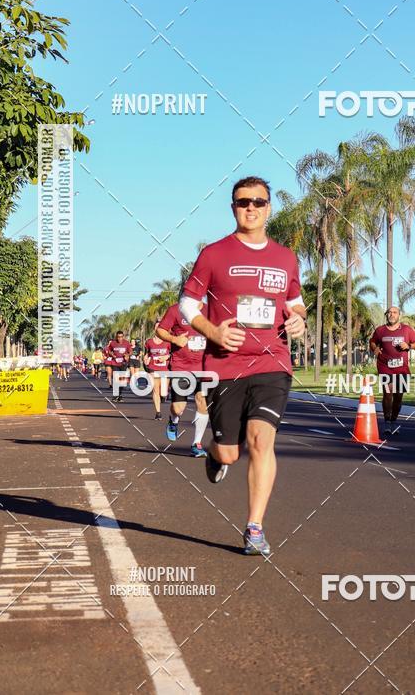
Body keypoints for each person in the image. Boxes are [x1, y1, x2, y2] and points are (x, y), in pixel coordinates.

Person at [179, 176, 306, 556]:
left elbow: (295, 301)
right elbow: (188, 305)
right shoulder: (214, 254)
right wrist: (212, 331)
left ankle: (254, 528)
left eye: (258, 202)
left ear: (269, 207)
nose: (250, 208)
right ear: (233, 207)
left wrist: (299, 318)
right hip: (225, 367)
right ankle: (217, 456)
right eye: (242, 202)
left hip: (272, 362)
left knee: (261, 440)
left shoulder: (285, 258)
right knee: (231, 452)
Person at [156, 298, 209, 458]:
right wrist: (174, 339)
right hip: (181, 366)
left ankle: (197, 444)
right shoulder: (175, 310)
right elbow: (160, 330)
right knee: (178, 408)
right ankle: (173, 421)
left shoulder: (212, 311)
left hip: (205, 366)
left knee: (203, 402)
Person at [369, 306, 415, 435]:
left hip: (401, 369)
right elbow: (372, 341)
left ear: (399, 315)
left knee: (398, 397)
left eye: (394, 312)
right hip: (385, 366)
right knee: (388, 393)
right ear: (386, 315)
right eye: (389, 313)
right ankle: (387, 422)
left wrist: (408, 346)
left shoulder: (406, 330)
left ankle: (394, 420)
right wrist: (375, 348)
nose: (392, 315)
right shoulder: (380, 330)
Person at [144, 323, 171, 419]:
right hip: (153, 368)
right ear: (154, 329)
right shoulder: (149, 342)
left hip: (165, 369)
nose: (158, 328)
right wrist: (145, 359)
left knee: (163, 392)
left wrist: (166, 357)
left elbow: (173, 354)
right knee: (155, 390)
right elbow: (147, 354)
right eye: (157, 326)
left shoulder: (168, 341)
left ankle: (164, 395)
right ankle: (158, 412)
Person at [106, 331, 132, 402]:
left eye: (121, 337)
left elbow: (130, 351)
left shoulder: (126, 343)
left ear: (123, 337)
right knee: (116, 379)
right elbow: (109, 350)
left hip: (123, 363)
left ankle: (120, 395)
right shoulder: (113, 343)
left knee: (122, 380)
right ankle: (115, 396)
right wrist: (112, 355)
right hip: (115, 363)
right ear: (116, 337)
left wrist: (127, 355)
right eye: (118, 337)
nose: (119, 338)